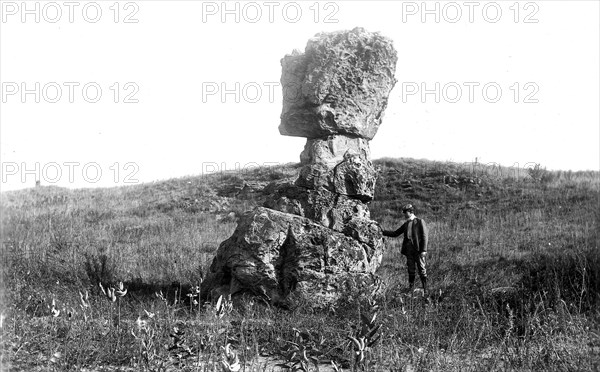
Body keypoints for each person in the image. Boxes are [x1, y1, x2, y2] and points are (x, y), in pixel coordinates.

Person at [382, 204, 429, 295]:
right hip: (408, 250)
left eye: (405, 212)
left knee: (422, 269)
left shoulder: (420, 221)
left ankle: (425, 289)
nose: (404, 214)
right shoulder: (406, 224)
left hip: (418, 250)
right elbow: (395, 233)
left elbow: (424, 236)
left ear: (410, 212)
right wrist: (382, 231)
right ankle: (411, 289)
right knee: (410, 269)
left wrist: (424, 250)